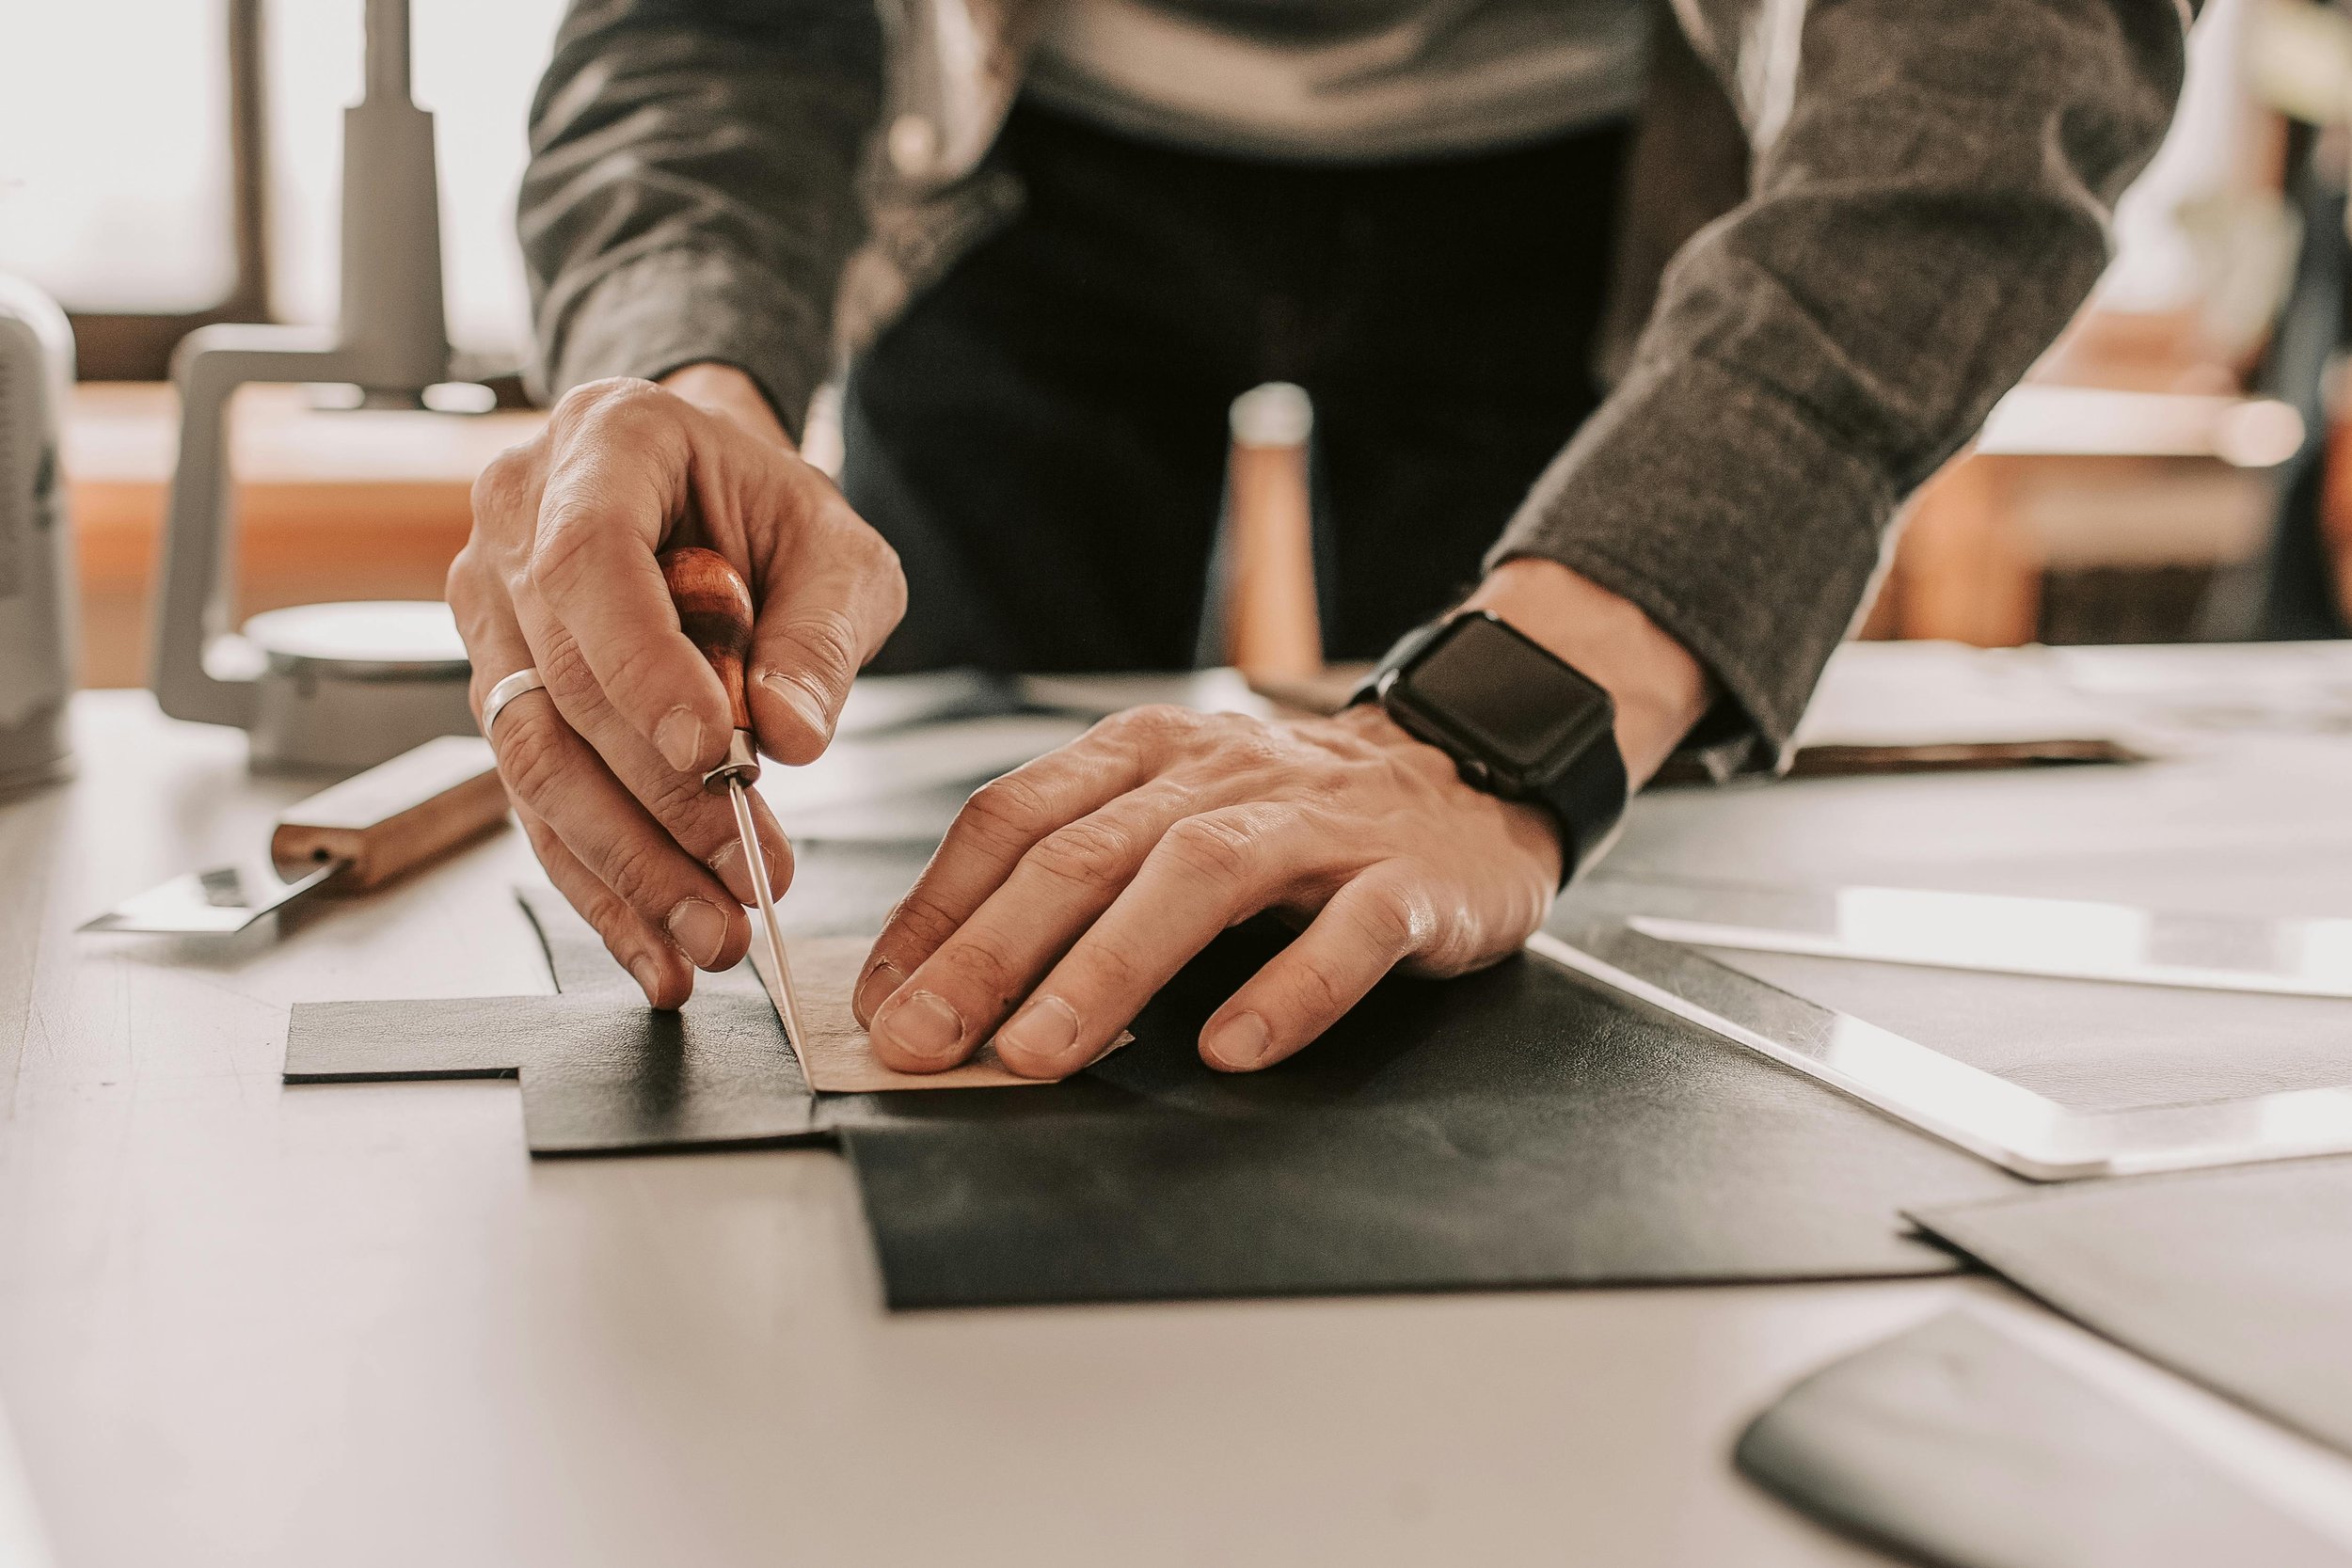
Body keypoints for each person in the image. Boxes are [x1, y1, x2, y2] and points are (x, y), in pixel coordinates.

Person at [448, 0, 2185, 1077]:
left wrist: (1509, 728)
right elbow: (712, 31)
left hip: (1571, 176)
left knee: (1485, 987)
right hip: (1025, 175)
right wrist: (675, 375)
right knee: (990, 849)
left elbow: (2005, 50)